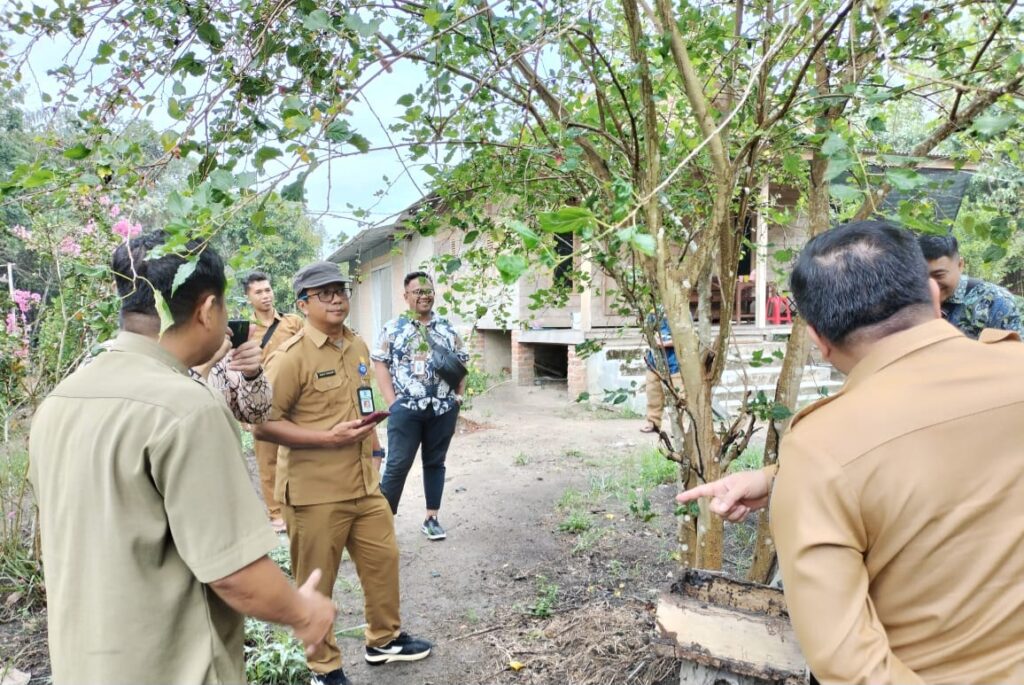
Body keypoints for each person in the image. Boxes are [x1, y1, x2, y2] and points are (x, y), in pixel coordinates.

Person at [677, 220, 1024, 683]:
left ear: (818, 338)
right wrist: (782, 480)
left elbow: (850, 664)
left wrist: (807, 476)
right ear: (933, 293)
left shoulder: (823, 448)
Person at [28, 232, 336, 684]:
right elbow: (233, 571)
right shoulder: (184, 408)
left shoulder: (59, 401)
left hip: (83, 665)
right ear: (207, 310)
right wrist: (303, 612)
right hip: (169, 668)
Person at [255, 261, 432, 685]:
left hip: (363, 483)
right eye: (324, 293)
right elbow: (262, 424)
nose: (336, 298)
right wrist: (325, 439)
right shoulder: (290, 357)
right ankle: (323, 667)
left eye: (340, 290)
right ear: (303, 303)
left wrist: (375, 449)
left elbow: (363, 399)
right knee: (317, 581)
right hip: (314, 492)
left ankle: (383, 640)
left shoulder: (355, 345)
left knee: (383, 561)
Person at [372, 271, 469, 541]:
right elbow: (380, 362)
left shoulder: (447, 328)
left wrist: (458, 397)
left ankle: (432, 518)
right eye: (417, 292)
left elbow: (462, 362)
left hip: (442, 409)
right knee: (397, 463)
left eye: (428, 292)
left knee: (435, 462)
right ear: (406, 296)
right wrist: (393, 403)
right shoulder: (393, 328)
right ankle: (381, 523)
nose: (423, 296)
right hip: (406, 410)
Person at [243, 270, 304, 532]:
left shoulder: (294, 322)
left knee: (299, 455)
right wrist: (242, 413)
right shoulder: (246, 331)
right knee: (267, 461)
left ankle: (300, 506)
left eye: (267, 290)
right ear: (248, 297)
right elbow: (237, 370)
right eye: (258, 292)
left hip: (296, 400)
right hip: (262, 403)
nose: (265, 295)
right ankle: (276, 513)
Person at [918, 232, 1023, 339]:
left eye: (938, 275)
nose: (930, 284)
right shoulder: (911, 298)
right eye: (922, 275)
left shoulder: (995, 301)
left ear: (960, 265)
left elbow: (1015, 352)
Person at [640, 308, 681, 434]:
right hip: (655, 360)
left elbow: (685, 337)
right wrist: (653, 341)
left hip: (675, 360)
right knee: (653, 393)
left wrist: (666, 343)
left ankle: (681, 427)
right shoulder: (653, 312)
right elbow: (647, 334)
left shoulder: (681, 312)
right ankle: (653, 422)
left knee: (680, 395)